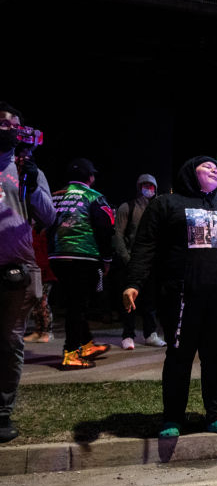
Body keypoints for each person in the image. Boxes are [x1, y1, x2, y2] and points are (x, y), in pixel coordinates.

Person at [123, 156, 217, 438]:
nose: (215, 169)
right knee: (179, 357)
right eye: (207, 166)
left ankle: (216, 415)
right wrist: (133, 283)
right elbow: (145, 246)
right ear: (190, 172)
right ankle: (172, 418)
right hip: (181, 297)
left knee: (216, 358)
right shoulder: (167, 204)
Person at [0, 102, 55, 442]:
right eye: (0, 121)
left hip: (15, 268)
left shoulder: (25, 167)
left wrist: (32, 184)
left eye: (12, 123)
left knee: (8, 341)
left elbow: (48, 217)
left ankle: (2, 413)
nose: (6, 126)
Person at [48, 158, 115, 370]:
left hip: (58, 257)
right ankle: (71, 353)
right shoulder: (94, 197)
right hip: (83, 258)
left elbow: (45, 222)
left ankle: (86, 344)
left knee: (75, 303)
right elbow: (105, 230)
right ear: (91, 177)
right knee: (78, 305)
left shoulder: (55, 196)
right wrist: (107, 259)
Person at [112, 173, 164, 350]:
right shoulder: (128, 207)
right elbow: (118, 234)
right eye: (145, 185)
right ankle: (128, 334)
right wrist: (126, 258)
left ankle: (150, 333)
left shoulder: (158, 207)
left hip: (152, 262)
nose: (148, 189)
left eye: (151, 186)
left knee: (151, 300)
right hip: (132, 260)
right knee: (130, 299)